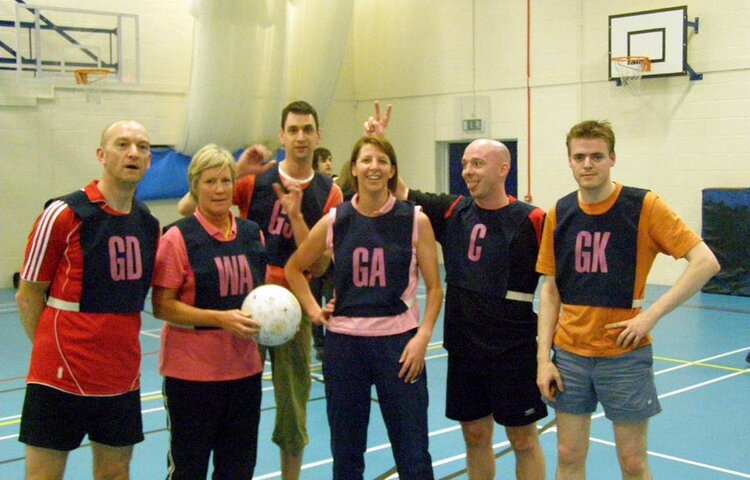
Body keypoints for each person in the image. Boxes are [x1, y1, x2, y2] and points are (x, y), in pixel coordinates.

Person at [366, 103, 547, 480]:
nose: (467, 171)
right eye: (465, 163)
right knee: (475, 433)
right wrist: (378, 143)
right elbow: (399, 191)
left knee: (523, 438)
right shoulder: (453, 211)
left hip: (513, 348)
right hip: (465, 346)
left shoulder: (532, 219)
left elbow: (560, 284)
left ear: (503, 168)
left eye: (478, 163)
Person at [536, 120, 720, 479]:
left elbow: (706, 262)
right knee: (568, 454)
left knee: (633, 462)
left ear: (612, 159)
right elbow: (551, 289)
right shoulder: (560, 212)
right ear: (570, 162)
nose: (588, 164)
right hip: (570, 355)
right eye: (580, 157)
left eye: (596, 156)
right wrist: (544, 358)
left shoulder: (643, 205)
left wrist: (650, 316)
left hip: (624, 355)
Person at [177, 100, 343, 480]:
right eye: (293, 130)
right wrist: (236, 171)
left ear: (318, 136)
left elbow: (319, 266)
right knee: (235, 404)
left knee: (292, 407)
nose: (301, 137)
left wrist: (298, 217)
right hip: (244, 307)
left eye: (308, 130)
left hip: (296, 309)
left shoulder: (328, 193)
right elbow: (190, 207)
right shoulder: (254, 181)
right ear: (282, 135)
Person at [285, 136, 443, 479]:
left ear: (392, 170)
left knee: (413, 452)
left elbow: (435, 288)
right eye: (366, 160)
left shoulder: (416, 220)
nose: (374, 167)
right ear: (354, 168)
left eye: (382, 161)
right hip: (345, 347)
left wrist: (423, 337)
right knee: (346, 453)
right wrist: (314, 311)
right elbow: (294, 269)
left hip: (399, 346)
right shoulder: (334, 220)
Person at [15, 120, 159, 480]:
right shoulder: (64, 214)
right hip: (59, 378)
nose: (133, 153)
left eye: (142, 147)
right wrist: (53, 351)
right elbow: (29, 293)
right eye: (123, 144)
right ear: (101, 155)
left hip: (120, 377)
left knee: (115, 473)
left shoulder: (148, 223)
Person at [152, 144, 267, 479]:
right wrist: (219, 319)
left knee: (239, 468)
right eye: (210, 181)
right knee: (189, 468)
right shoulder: (177, 238)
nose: (219, 189)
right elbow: (162, 305)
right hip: (192, 378)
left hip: (244, 372)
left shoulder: (251, 233)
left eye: (226, 181)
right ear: (194, 186)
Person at [310, 147, 336, 360]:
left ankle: (334, 338)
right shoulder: (313, 190)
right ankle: (320, 343)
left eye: (330, 159)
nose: (328, 164)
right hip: (315, 256)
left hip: (333, 260)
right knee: (314, 298)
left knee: (333, 298)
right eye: (323, 160)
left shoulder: (336, 188)